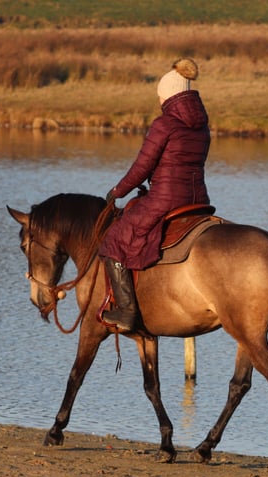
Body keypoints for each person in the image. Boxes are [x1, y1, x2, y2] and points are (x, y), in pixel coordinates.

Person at [98, 58, 211, 332]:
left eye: (161, 96)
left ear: (169, 95)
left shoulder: (165, 124)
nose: (159, 101)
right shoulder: (202, 124)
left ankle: (126, 311)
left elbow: (142, 167)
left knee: (114, 239)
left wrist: (117, 191)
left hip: (166, 198)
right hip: (198, 200)